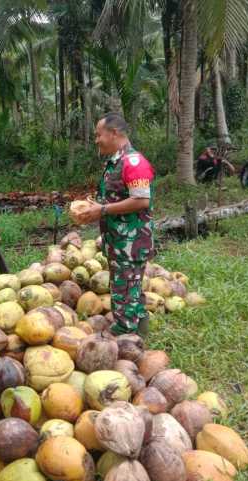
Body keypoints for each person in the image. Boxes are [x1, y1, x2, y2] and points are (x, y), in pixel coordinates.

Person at [77, 113, 155, 336]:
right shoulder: (115, 163)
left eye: (98, 135)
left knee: (124, 293)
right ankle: (140, 334)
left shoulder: (133, 162)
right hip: (119, 241)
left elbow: (141, 200)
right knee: (131, 290)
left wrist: (101, 210)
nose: (96, 140)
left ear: (114, 133)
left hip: (130, 243)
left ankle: (125, 337)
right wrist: (97, 206)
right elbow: (118, 198)